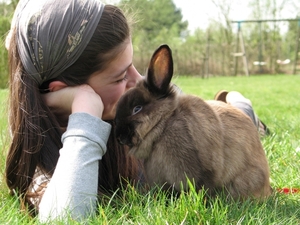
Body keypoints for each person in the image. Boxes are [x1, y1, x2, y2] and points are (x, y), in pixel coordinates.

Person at [5, 0, 142, 222]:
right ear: (63, 90)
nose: (139, 81)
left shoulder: (129, 117)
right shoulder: (38, 148)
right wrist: (85, 117)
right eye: (121, 77)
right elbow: (65, 218)